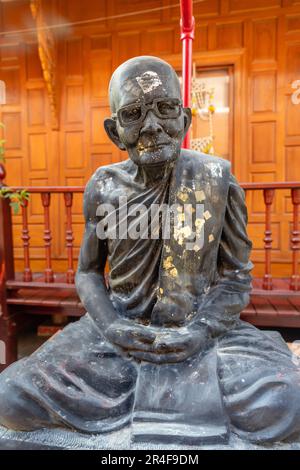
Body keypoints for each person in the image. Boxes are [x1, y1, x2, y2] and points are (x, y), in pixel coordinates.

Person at [0, 56, 299, 445]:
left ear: (185, 119)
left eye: (165, 108)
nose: (152, 126)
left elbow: (235, 277)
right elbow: (88, 272)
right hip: (118, 336)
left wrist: (199, 331)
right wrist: (112, 326)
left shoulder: (215, 180)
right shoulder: (104, 187)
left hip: (203, 334)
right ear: (114, 130)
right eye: (133, 114)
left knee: (288, 399)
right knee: (10, 397)